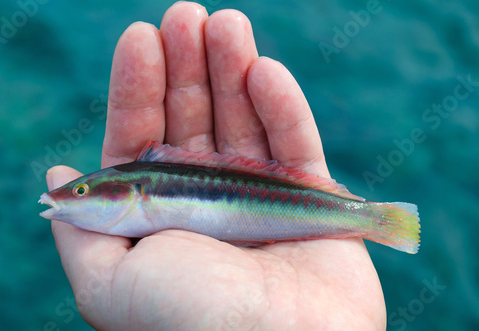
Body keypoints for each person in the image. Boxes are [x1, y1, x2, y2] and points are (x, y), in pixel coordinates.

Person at [47, 2, 386, 330]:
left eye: (80, 191)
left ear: (130, 192)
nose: (68, 197)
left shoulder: (142, 185)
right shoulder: (137, 190)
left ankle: (374, 218)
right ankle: (371, 217)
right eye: (80, 190)